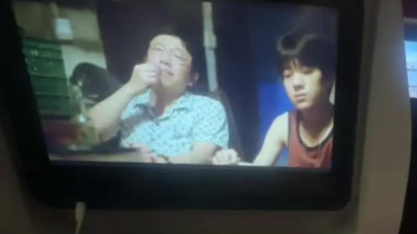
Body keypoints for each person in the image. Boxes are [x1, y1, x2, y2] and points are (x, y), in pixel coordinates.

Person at [88, 32, 229, 164]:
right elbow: (88, 133)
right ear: (144, 61)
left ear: (192, 78)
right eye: (158, 50)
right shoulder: (129, 102)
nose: (165, 60)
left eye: (178, 56)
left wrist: (156, 161)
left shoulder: (207, 107)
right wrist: (129, 88)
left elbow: (202, 158)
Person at [213, 32, 335, 169]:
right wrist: (233, 163)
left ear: (328, 78)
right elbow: (259, 170)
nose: (296, 83)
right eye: (288, 75)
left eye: (307, 72)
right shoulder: (284, 124)